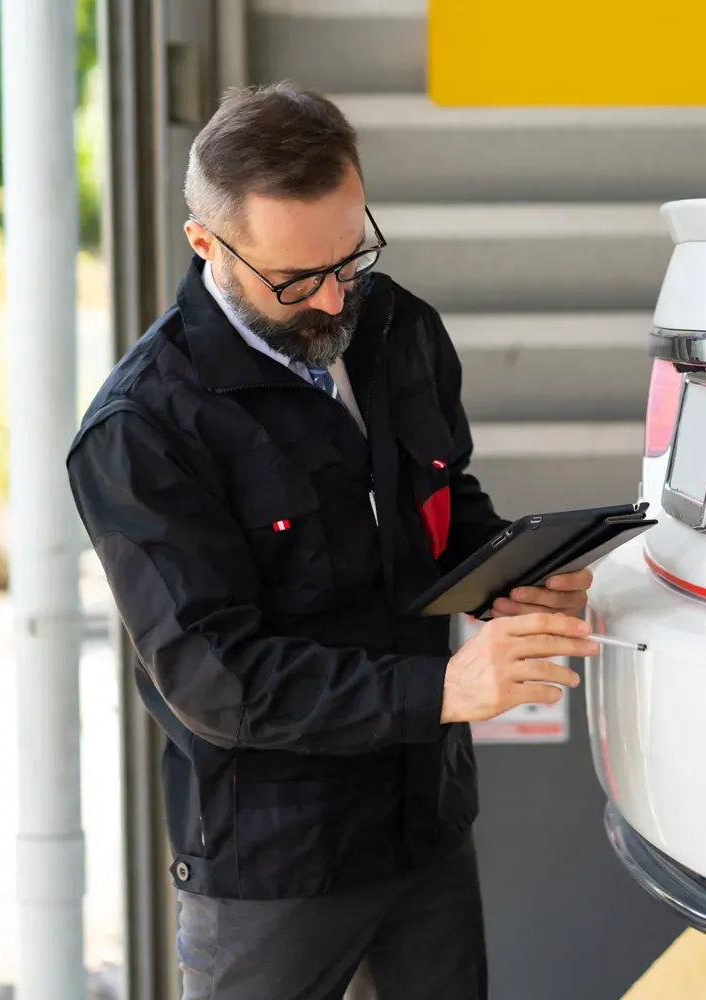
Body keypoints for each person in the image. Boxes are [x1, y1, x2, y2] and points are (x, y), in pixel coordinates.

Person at [66, 83, 600, 1000]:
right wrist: (446, 686)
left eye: (348, 255)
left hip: (423, 821)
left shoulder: (398, 330)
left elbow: (437, 505)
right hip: (274, 863)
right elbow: (215, 677)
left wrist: (513, 574)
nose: (330, 296)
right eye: (293, 280)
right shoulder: (143, 428)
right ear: (206, 244)